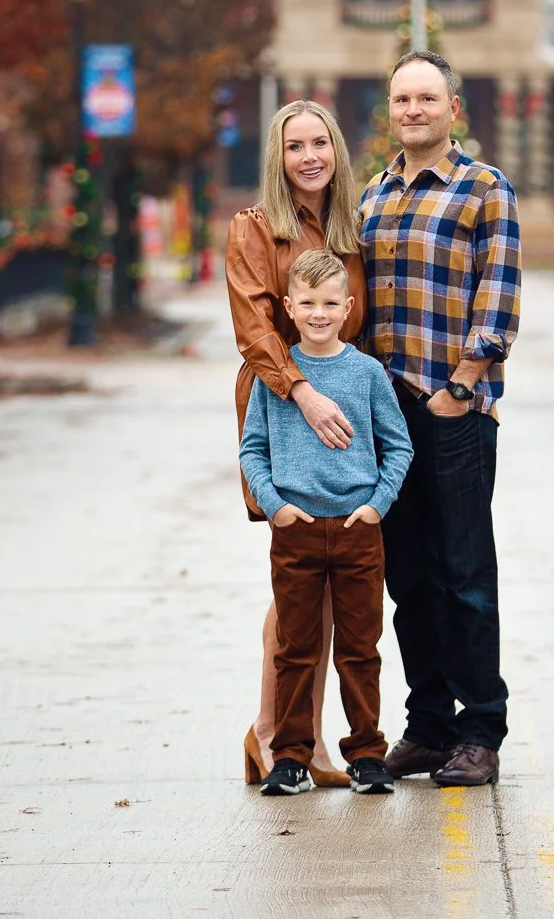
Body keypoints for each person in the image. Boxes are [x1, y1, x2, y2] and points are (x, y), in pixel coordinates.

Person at [362, 50, 522, 788]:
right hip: (386, 423)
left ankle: (480, 729)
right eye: (402, 99)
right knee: (409, 580)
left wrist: (461, 385)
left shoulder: (485, 191)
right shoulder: (373, 197)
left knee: (465, 574)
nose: (414, 110)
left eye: (427, 97)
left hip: (454, 412)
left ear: (452, 109)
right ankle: (427, 727)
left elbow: (500, 297)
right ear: (390, 111)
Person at [224, 100, 367, 789]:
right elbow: (254, 332)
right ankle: (279, 733)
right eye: (294, 146)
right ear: (277, 160)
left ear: (335, 150)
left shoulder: (350, 230)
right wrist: (302, 393)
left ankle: (284, 736)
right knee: (297, 581)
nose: (309, 156)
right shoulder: (253, 230)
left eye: (320, 142)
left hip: (342, 425)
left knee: (332, 587)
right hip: (284, 413)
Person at [238, 249, 413, 795]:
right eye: (308, 302)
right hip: (296, 532)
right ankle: (290, 757)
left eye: (330, 303)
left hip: (358, 531)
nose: (319, 313)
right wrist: (277, 507)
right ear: (288, 307)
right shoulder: (281, 377)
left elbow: (398, 447)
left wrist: (375, 507)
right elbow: (252, 450)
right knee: (296, 647)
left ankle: (366, 754)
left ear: (348, 307)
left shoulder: (367, 374)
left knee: (360, 649)